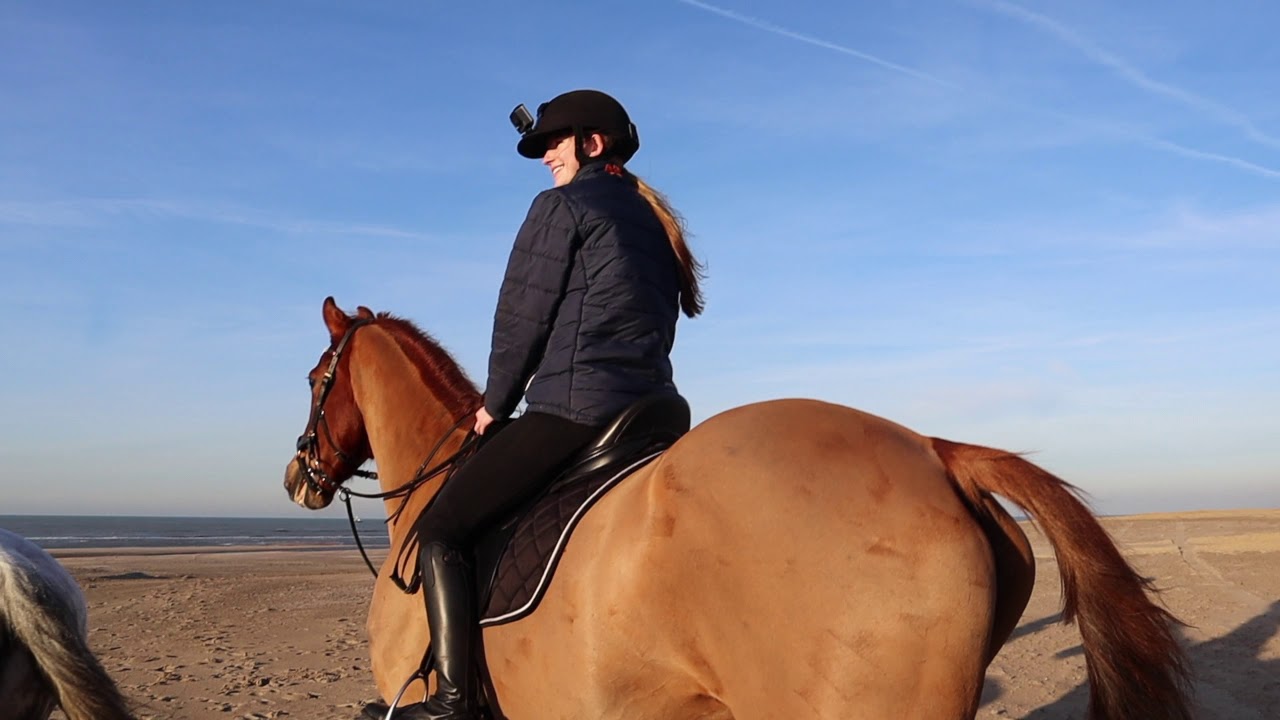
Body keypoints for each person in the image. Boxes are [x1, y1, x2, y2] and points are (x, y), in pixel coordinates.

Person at [381, 89, 706, 719]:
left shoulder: (562, 207)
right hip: (653, 411)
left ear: (591, 143)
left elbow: (522, 317)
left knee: (441, 530)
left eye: (552, 144)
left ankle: (452, 703)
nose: (544, 158)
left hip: (578, 409)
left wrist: (494, 405)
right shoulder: (651, 224)